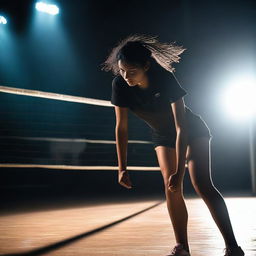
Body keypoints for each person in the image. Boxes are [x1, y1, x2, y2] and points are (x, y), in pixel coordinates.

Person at [101, 34, 244, 256]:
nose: (126, 76)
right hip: (162, 136)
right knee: (171, 188)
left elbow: (182, 127)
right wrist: (122, 168)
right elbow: (121, 128)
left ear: (146, 66)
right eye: (122, 70)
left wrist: (180, 171)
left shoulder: (165, 79)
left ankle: (233, 247)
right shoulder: (120, 84)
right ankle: (182, 248)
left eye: (132, 71)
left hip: (191, 131)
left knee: (202, 184)